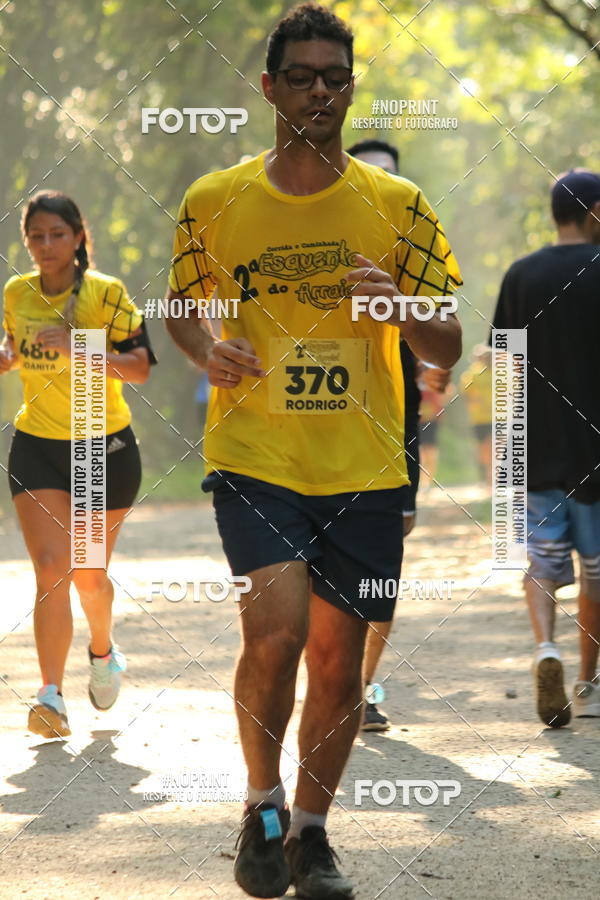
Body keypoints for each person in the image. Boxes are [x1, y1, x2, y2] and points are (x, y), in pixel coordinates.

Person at [165, 5, 462, 898]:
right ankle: (261, 808)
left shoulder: (398, 207)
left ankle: (310, 833)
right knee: (278, 634)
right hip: (256, 454)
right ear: (269, 87)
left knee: (338, 663)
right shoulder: (214, 201)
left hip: (365, 466)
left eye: (336, 77)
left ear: (352, 87)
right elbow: (180, 308)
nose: (320, 92)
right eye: (302, 77)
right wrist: (205, 349)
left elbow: (448, 342)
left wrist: (402, 310)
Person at [0, 190, 156, 739]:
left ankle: (103, 653)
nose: (46, 245)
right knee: (51, 568)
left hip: (100, 449)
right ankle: (50, 696)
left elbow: (140, 368)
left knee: (88, 576)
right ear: (26, 242)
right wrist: (7, 357)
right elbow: (14, 346)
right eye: (36, 236)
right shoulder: (16, 292)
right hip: (37, 445)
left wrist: (80, 347)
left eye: (57, 235)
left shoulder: (105, 293)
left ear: (78, 237)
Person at [347, 138, 451, 731]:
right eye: (369, 173)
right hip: (304, 430)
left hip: (391, 430)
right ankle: (331, 673)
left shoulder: (414, 250)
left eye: (389, 175)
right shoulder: (306, 234)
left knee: (381, 559)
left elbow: (441, 339)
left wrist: (432, 364)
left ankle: (360, 687)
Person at [491, 169, 600, 728]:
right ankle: (589, 684)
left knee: (541, 563)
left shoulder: (520, 275)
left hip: (532, 450)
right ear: (594, 211)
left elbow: (504, 366)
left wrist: (505, 448)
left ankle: (545, 649)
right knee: (596, 569)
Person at [459, 344, 493, 485]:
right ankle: (485, 477)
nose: (486, 359)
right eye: (482, 357)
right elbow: (467, 395)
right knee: (483, 448)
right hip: (479, 418)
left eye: (488, 356)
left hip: (498, 417)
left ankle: (494, 478)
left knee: (496, 447)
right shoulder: (471, 375)